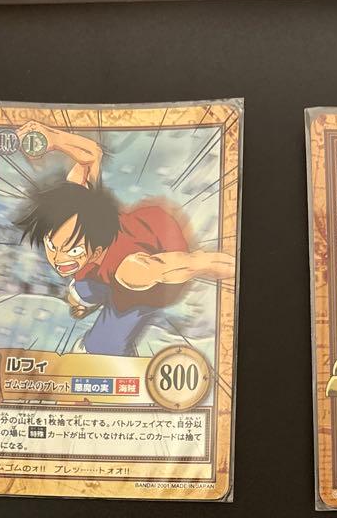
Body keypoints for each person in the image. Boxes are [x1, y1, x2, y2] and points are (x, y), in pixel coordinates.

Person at [13, 120, 236, 356]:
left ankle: (104, 346)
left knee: (101, 347)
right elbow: (91, 155)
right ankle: (85, 294)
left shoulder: (132, 270)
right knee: (81, 288)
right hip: (121, 243)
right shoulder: (77, 205)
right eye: (51, 245)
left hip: (150, 283)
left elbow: (188, 265)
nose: (57, 259)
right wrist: (53, 138)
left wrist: (223, 266)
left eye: (73, 250)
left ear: (97, 249)